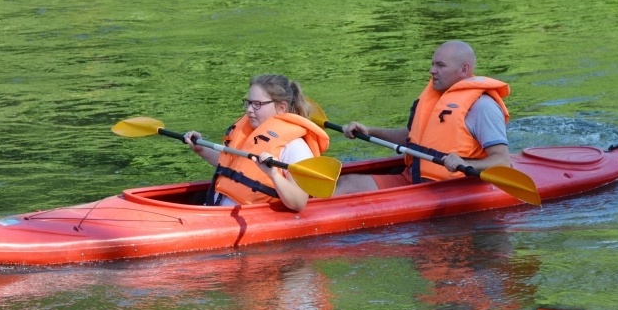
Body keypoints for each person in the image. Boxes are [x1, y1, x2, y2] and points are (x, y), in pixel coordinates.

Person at [334, 40, 510, 194]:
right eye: (433, 64)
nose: (432, 70)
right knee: (346, 183)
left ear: (464, 69)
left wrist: (464, 163)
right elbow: (413, 138)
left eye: (440, 65)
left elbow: (502, 161)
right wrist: (370, 131)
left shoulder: (483, 106)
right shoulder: (435, 97)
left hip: (447, 189)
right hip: (412, 179)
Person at [184, 74, 329, 211]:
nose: (249, 110)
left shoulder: (295, 147)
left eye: (257, 104)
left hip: (251, 217)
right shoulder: (251, 133)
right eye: (248, 103)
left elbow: (298, 202)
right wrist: (200, 149)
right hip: (215, 210)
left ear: (281, 107)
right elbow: (231, 165)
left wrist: (274, 175)